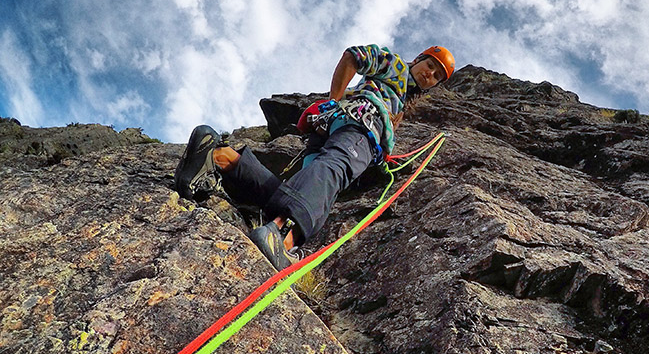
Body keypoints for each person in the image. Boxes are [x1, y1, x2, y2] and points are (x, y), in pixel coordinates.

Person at [174, 44, 455, 269]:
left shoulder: (401, 99)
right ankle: (280, 237)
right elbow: (354, 57)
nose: (429, 74)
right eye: (430, 65)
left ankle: (219, 155)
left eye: (437, 76)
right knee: (334, 171)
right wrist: (334, 99)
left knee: (306, 191)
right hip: (358, 129)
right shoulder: (394, 65)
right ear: (418, 59)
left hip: (338, 130)